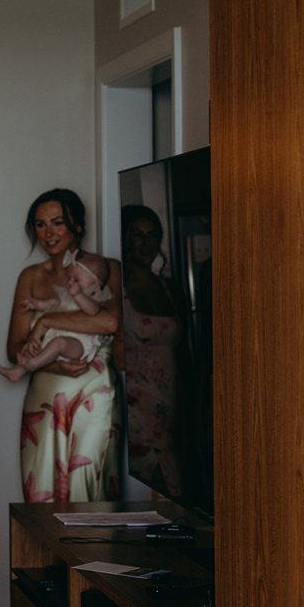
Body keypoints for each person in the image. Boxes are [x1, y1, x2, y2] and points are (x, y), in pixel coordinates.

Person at [5, 188, 121, 505]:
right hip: (45, 394)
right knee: (41, 490)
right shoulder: (30, 277)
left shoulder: (106, 268)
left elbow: (109, 322)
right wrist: (55, 363)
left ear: (77, 225)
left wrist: (45, 322)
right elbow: (14, 347)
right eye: (41, 225)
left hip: (94, 390)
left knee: (89, 487)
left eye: (58, 222)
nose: (49, 233)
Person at [121, 203, 186, 498]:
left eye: (153, 235)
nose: (146, 243)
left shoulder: (170, 287)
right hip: (134, 401)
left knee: (173, 482)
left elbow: (185, 354)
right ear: (125, 237)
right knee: (143, 481)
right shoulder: (118, 287)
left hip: (169, 399)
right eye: (138, 234)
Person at [0, 251, 108, 380]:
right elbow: (54, 304)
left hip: (79, 343)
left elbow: (92, 311)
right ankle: (17, 372)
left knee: (59, 343)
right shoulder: (69, 295)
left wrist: (78, 295)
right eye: (70, 278)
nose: (71, 282)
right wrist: (37, 304)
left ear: (95, 282)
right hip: (58, 336)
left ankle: (32, 365)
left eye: (77, 279)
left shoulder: (94, 298)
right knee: (36, 348)